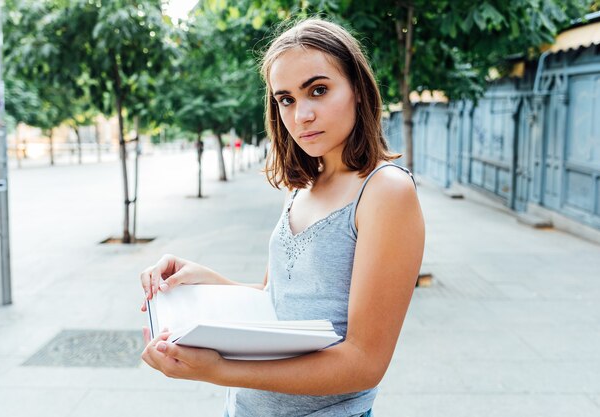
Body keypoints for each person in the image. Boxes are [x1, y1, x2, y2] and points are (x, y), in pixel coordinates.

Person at [140, 18, 425, 417]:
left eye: (318, 90)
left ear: (358, 90)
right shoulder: (303, 185)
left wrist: (220, 370)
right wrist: (203, 278)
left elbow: (364, 363)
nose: (301, 115)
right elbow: (277, 301)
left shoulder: (385, 191)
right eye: (286, 99)